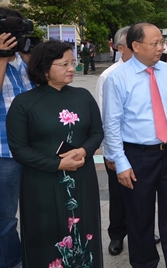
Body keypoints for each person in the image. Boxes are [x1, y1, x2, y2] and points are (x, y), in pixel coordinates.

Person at [102, 22, 167, 268]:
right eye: (154, 44)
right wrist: (120, 163)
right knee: (140, 218)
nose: (161, 48)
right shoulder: (117, 78)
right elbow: (111, 124)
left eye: (161, 43)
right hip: (137, 155)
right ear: (136, 46)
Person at [7, 40, 104, 266]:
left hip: (81, 177)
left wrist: (83, 151)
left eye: (73, 62)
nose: (72, 68)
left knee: (83, 229)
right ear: (44, 69)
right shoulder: (24, 103)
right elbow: (19, 149)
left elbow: (97, 132)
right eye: (64, 64)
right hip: (42, 182)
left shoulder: (83, 96)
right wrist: (57, 165)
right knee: (47, 234)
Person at [95, 26, 161, 256]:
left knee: (141, 196)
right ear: (124, 47)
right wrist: (112, 153)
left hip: (143, 146)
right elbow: (105, 116)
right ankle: (117, 234)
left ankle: (143, 232)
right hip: (119, 147)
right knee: (119, 195)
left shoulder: (154, 70)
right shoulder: (110, 75)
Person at [0, 7, 35, 268]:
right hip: (4, 154)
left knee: (35, 211)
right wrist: (1, 57)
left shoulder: (21, 62)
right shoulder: (4, 61)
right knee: (6, 219)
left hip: (31, 149)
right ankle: (12, 263)